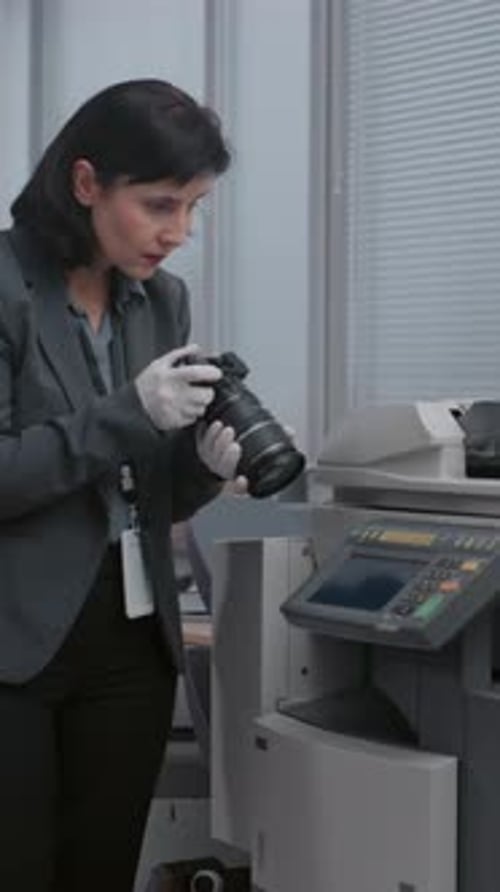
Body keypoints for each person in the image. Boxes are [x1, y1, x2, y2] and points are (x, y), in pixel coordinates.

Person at [0, 78, 246, 892]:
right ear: (85, 184)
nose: (180, 232)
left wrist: (203, 471)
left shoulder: (159, 301)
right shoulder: (5, 290)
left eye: (194, 207)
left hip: (132, 637)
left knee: (100, 870)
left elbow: (148, 490)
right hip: (16, 641)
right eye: (160, 205)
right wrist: (127, 411)